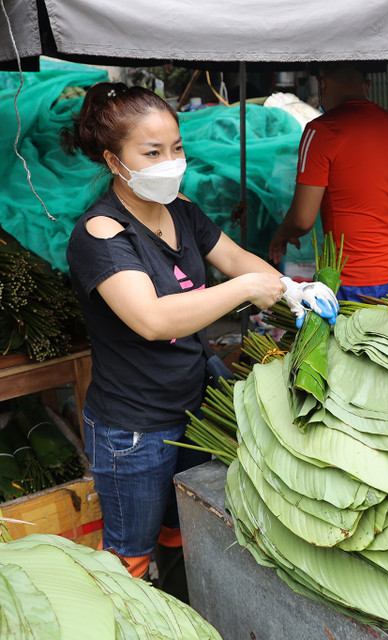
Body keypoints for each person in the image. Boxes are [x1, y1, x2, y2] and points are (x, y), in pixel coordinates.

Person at [63, 83, 338, 589]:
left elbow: (235, 259)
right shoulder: (100, 234)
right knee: (129, 557)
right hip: (134, 430)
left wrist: (289, 288)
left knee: (184, 526)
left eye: (176, 148)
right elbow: (153, 319)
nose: (171, 162)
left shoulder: (181, 210)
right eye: (152, 152)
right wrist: (244, 289)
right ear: (113, 159)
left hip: (193, 407)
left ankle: (183, 604)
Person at [269, 63, 388, 301]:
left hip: (353, 280)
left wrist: (281, 234)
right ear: (368, 86)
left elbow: (302, 220)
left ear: (322, 84)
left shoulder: (319, 132)